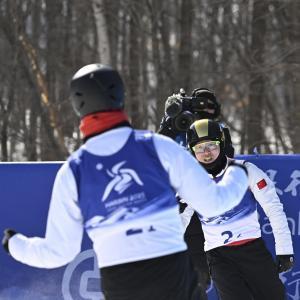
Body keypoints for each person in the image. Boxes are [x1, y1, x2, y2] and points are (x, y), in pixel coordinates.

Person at [2, 64, 249, 300]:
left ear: (78, 105)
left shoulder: (73, 172)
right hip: (173, 274)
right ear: (120, 96)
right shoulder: (159, 147)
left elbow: (58, 253)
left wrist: (15, 244)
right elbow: (217, 204)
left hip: (121, 283)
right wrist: (236, 169)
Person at [182, 118, 295, 300]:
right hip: (218, 257)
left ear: (222, 143)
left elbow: (274, 209)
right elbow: (178, 221)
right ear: (192, 151)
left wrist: (284, 250)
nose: (207, 153)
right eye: (199, 148)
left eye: (211, 145)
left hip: (252, 250)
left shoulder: (246, 171)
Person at [158, 87, 233, 299]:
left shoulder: (219, 131)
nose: (203, 111)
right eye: (198, 105)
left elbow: (226, 161)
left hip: (201, 217)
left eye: (208, 107)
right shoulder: (176, 128)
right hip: (170, 212)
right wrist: (168, 125)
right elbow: (155, 155)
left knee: (198, 277)